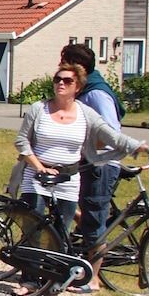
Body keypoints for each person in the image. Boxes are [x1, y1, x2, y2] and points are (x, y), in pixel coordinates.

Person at [13, 61, 149, 293]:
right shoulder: (38, 109)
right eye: (58, 79)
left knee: (61, 234)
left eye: (68, 80)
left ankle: (53, 284)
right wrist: (39, 167)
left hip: (68, 180)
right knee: (34, 229)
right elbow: (22, 141)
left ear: (78, 87)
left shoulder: (85, 114)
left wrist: (142, 147)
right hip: (37, 176)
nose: (61, 83)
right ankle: (29, 281)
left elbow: (113, 137)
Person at [60, 42, 123, 247]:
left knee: (94, 225)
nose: (60, 66)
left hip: (100, 166)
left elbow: (110, 133)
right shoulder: (82, 90)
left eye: (64, 62)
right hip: (87, 163)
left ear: (78, 67)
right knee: (64, 201)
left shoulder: (96, 94)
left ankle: (93, 277)